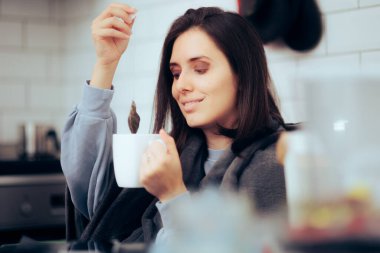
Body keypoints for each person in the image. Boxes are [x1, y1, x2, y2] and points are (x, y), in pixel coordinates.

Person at [61, 3, 288, 244]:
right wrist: (105, 64)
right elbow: (96, 202)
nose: (181, 86)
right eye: (176, 73)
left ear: (242, 75)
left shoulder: (276, 164)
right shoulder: (172, 154)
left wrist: (173, 196)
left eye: (200, 69)